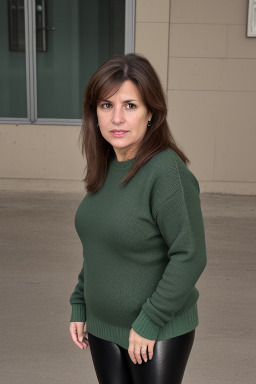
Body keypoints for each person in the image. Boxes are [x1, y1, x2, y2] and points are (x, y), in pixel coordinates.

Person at [69, 53, 207, 384]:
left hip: (154, 332)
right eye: (106, 105)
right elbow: (101, 247)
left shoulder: (166, 171)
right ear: (95, 114)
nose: (117, 117)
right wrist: (79, 301)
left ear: (151, 114)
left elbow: (189, 255)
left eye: (130, 105)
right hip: (102, 328)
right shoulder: (104, 167)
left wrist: (150, 321)